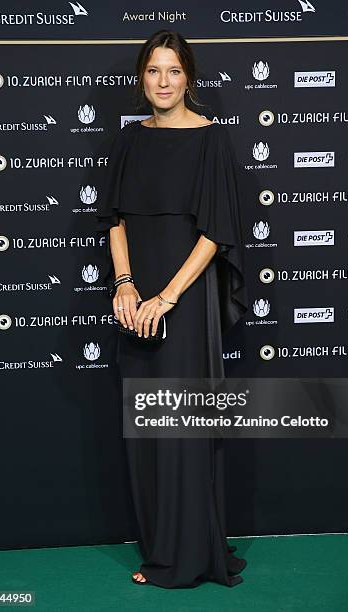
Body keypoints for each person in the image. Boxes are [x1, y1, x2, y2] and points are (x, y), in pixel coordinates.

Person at [96, 29, 248, 588]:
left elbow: (214, 235)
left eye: (174, 71)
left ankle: (185, 558)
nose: (163, 82)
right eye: (154, 71)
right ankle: (161, 545)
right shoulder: (131, 141)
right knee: (147, 426)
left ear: (190, 77)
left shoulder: (211, 142)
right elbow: (115, 218)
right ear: (142, 78)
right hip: (136, 299)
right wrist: (126, 285)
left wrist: (167, 296)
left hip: (183, 300)